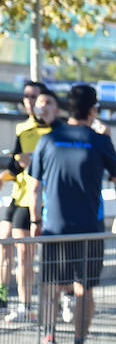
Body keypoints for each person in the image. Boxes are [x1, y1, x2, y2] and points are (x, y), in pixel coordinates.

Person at [28, 84, 116, 344]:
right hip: (89, 228)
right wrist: (107, 141)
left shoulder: (48, 140)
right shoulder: (98, 140)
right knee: (85, 290)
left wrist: (36, 222)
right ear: (93, 110)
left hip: (54, 226)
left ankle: (49, 338)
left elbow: (34, 188)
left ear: (68, 108)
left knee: (50, 287)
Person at [1, 82, 55, 324]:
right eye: (26, 97)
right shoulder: (23, 129)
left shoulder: (54, 132)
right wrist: (5, 175)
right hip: (18, 195)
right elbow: (15, 163)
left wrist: (30, 160)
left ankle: (28, 304)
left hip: (37, 199)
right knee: (4, 245)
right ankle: (4, 298)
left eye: (35, 97)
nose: (30, 101)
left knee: (26, 254)